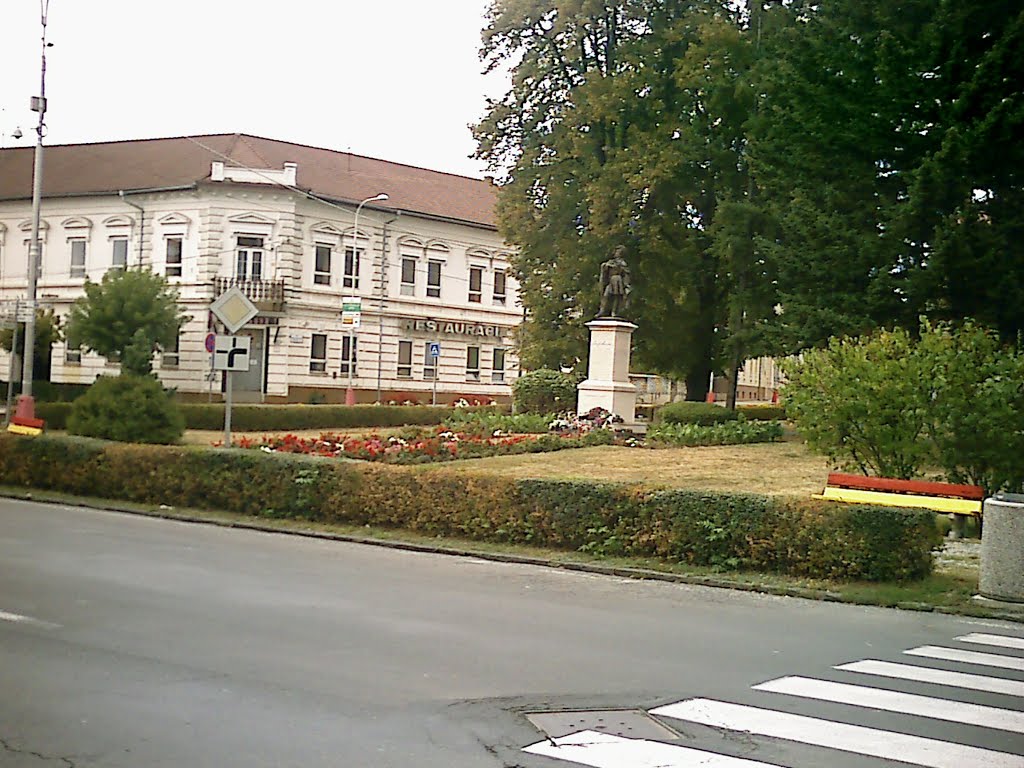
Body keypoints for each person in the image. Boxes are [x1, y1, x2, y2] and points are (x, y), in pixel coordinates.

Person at [599, 245, 631, 317]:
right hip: (611, 280)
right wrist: (605, 266)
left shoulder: (622, 263)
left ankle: (614, 312)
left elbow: (626, 274)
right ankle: (602, 310)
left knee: (617, 296)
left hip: (618, 280)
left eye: (618, 252)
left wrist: (627, 285)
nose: (616, 253)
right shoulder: (611, 262)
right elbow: (605, 270)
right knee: (606, 295)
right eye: (616, 252)